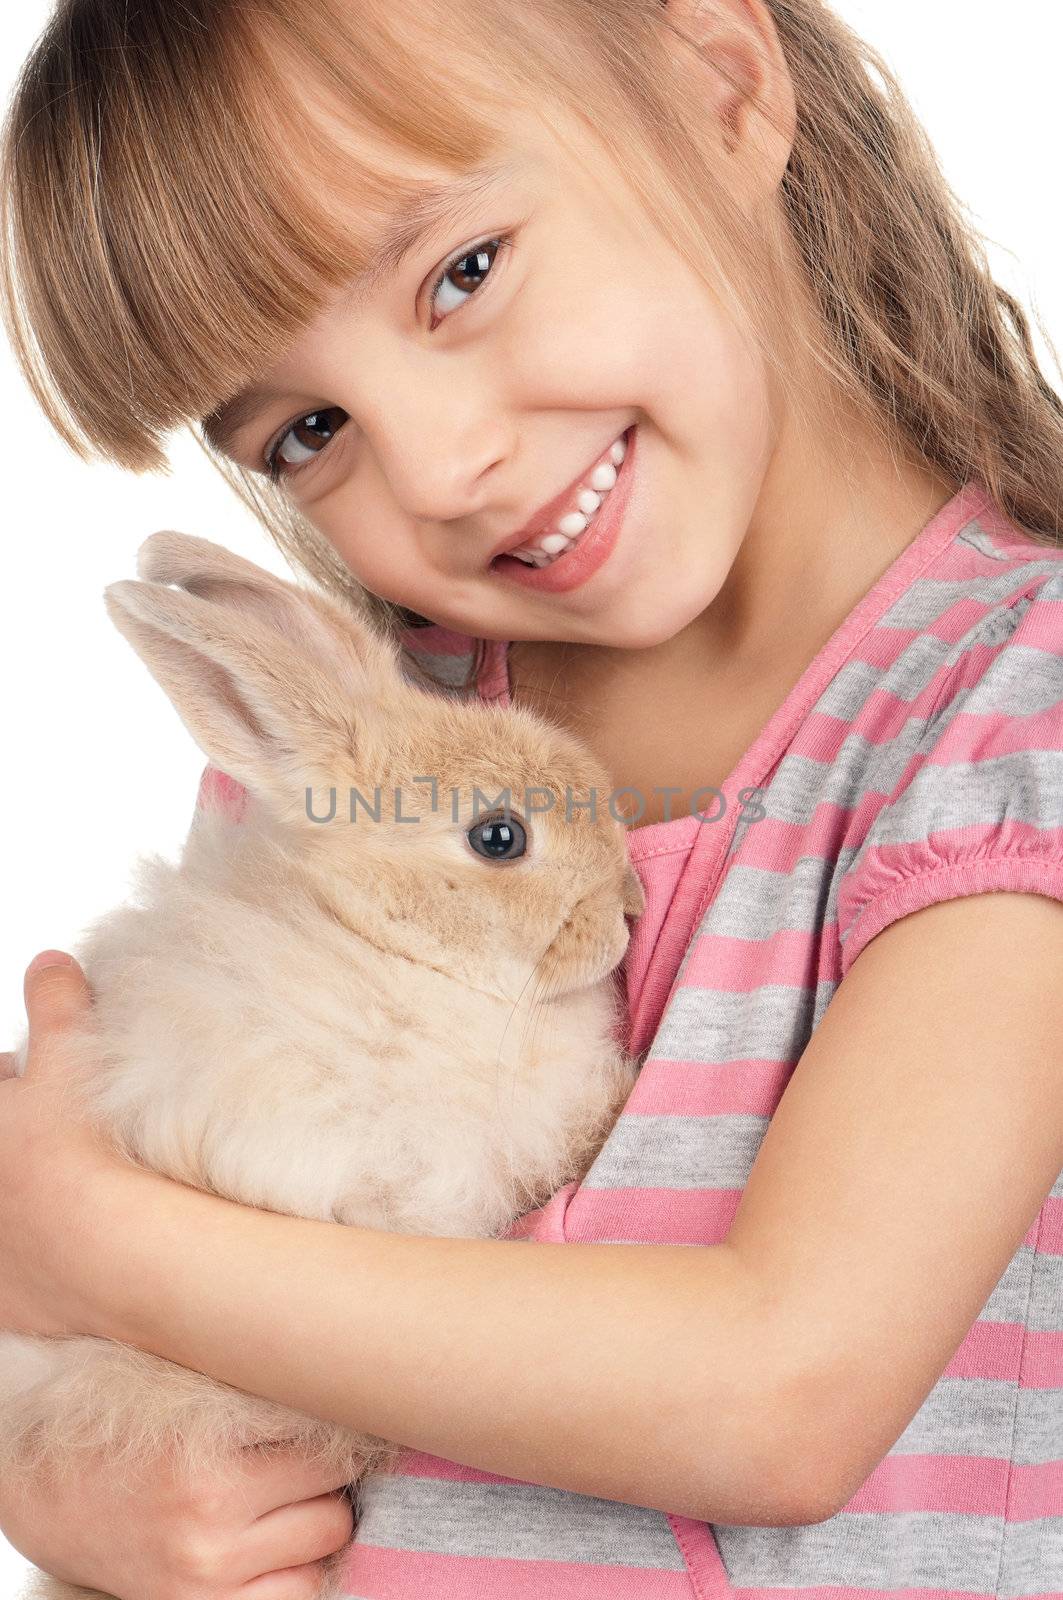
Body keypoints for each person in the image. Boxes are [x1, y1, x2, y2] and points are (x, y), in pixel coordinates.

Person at [1, 0, 1062, 1595]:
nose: (432, 469)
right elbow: (125, 1322)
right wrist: (53, 1484)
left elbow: (784, 1389)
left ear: (718, 84)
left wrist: (103, 1250)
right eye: (308, 433)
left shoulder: (1008, 715)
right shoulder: (355, 764)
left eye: (463, 273)